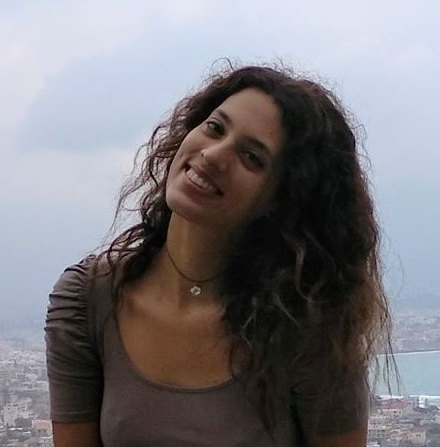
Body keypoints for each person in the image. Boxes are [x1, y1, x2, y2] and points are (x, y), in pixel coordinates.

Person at [45, 62, 393, 446]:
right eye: (215, 128)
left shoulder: (307, 327)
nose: (213, 155)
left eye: (251, 157)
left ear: (281, 200)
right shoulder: (88, 299)